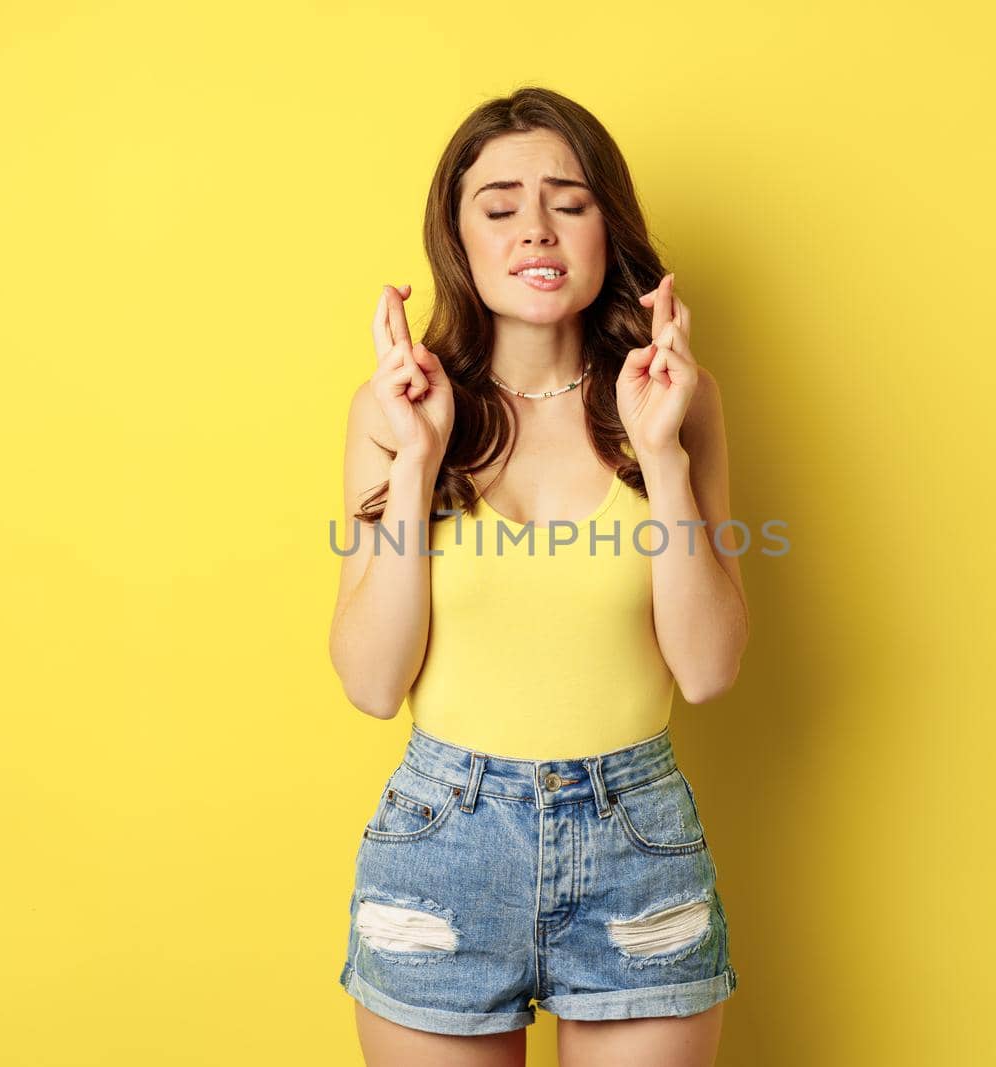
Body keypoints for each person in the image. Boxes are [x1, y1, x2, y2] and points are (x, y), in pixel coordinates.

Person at [329, 86, 749, 1067]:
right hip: (443, 845)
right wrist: (419, 463)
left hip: (635, 842)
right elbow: (370, 681)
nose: (535, 228)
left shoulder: (674, 401)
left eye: (568, 199)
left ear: (607, 225)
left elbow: (708, 667)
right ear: (458, 238)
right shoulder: (395, 410)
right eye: (499, 203)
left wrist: (667, 456)